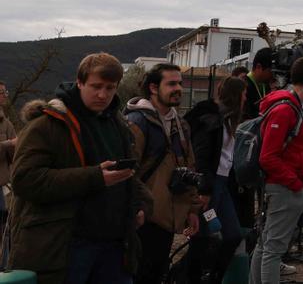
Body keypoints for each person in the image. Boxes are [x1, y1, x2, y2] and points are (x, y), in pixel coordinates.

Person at [9, 53, 151, 284]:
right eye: (96, 86)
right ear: (80, 82)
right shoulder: (48, 125)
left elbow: (127, 176)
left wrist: (142, 205)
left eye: (110, 88)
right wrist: (95, 177)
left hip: (115, 247)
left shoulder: (118, 124)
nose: (103, 94)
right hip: (67, 246)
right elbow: (26, 180)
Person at [126, 63, 201, 284]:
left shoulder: (180, 124)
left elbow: (190, 167)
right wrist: (134, 209)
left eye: (180, 83)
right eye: (171, 83)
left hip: (166, 218)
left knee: (156, 273)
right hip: (143, 218)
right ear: (153, 88)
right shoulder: (137, 123)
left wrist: (193, 209)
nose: (178, 88)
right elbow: (126, 172)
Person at [251, 57, 303, 284]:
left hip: (281, 184)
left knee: (265, 245)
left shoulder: (290, 105)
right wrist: (295, 183)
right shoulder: (286, 109)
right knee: (273, 249)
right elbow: (268, 156)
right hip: (284, 186)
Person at [184, 76, 247, 284]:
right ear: (237, 95)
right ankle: (189, 275)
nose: (246, 98)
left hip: (221, 184)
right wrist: (204, 188)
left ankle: (212, 276)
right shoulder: (213, 120)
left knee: (231, 234)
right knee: (203, 237)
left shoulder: (226, 120)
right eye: (244, 94)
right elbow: (202, 155)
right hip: (211, 185)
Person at [0, 81, 17, 228]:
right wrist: (9, 144)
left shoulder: (6, 123)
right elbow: (11, 144)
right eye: (2, 92)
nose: (5, 95)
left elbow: (14, 155)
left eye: (5, 92)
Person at [243, 48, 275, 121]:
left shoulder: (267, 85)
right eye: (270, 72)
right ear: (258, 67)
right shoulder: (243, 87)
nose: (272, 75)